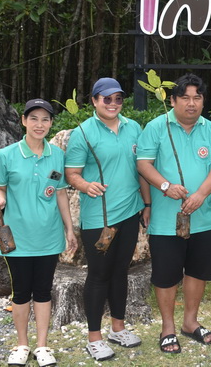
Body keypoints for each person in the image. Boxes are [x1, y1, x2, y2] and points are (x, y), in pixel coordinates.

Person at [136, 73, 211, 353]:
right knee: (165, 276)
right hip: (166, 220)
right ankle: (168, 328)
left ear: (203, 101)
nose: (191, 103)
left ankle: (190, 322)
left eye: (197, 97)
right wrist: (165, 186)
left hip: (204, 218)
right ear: (173, 100)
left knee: (197, 272)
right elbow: (143, 164)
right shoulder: (156, 127)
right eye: (185, 97)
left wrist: (200, 195)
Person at [64, 78, 150, 360]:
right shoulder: (83, 133)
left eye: (118, 99)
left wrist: (147, 203)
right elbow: (71, 174)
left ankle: (118, 328)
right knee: (99, 275)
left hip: (130, 212)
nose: (113, 104)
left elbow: (141, 169)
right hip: (99, 217)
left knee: (121, 271)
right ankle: (94, 337)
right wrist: (86, 185)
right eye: (107, 98)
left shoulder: (133, 128)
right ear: (94, 100)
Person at [0, 99, 77, 367]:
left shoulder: (57, 155)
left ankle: (42, 346)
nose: (40, 124)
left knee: (43, 291)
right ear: (24, 121)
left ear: (51, 123)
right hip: (17, 239)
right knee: (20, 293)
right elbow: (0, 188)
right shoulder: (7, 155)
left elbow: (60, 194)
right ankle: (21, 345)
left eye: (45, 119)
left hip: (48, 237)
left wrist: (69, 229)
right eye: (34, 118)